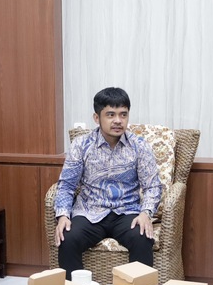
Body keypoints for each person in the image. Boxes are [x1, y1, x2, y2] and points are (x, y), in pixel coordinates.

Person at [53, 87, 162, 274]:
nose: (118, 121)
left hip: (126, 212)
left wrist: (146, 213)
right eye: (110, 115)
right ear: (97, 118)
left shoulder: (139, 145)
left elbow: (152, 186)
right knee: (67, 238)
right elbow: (67, 185)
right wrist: (63, 215)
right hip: (89, 212)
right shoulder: (81, 145)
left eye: (123, 114)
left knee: (142, 237)